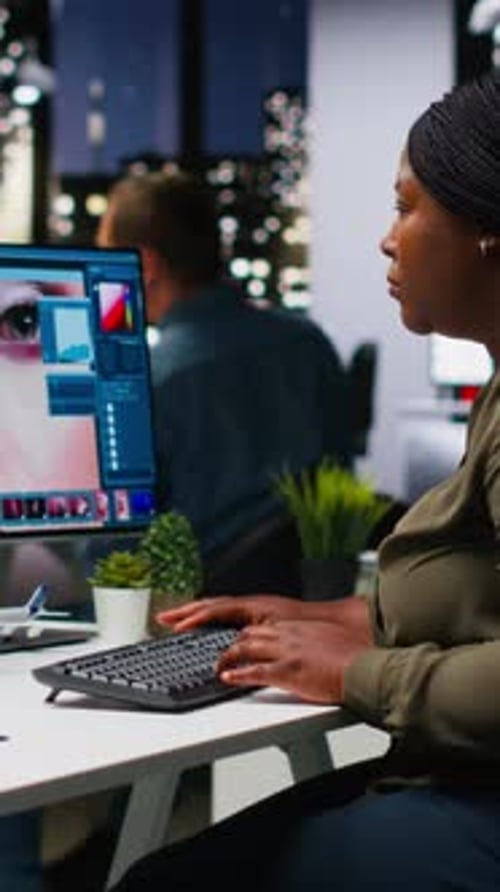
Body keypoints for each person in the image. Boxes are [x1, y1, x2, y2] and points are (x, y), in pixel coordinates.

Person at [109, 70, 500, 892]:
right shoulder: (310, 345)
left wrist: (355, 670)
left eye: (405, 207)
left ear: (485, 230)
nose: (387, 240)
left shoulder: (162, 376)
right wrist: (331, 615)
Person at [96, 171, 352, 557]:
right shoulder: (309, 343)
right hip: (315, 601)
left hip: (189, 608)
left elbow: (115, 553)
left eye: (106, 253)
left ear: (144, 267)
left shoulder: (145, 382)